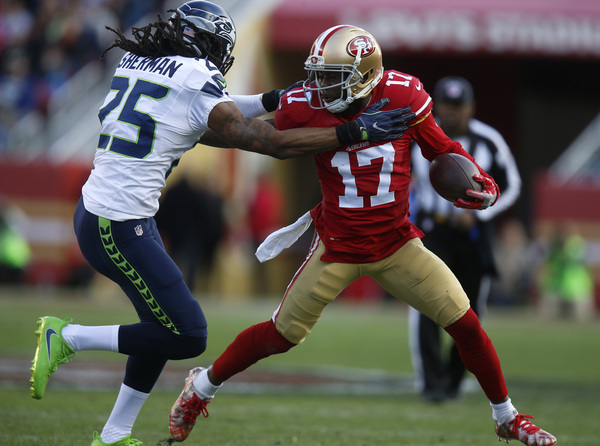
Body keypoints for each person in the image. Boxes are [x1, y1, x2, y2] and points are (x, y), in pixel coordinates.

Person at [28, 3, 414, 446]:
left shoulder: (140, 61)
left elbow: (207, 113)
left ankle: (115, 435)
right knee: (188, 334)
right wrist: (356, 131)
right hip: (116, 224)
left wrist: (273, 99)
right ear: (205, 43)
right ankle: (68, 337)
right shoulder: (194, 77)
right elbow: (270, 142)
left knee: (158, 328)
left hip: (110, 213)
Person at [168, 25, 557, 446]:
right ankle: (201, 386)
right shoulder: (305, 103)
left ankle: (506, 417)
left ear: (366, 74)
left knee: (466, 324)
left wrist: (481, 180)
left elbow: (442, 149)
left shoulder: (404, 94)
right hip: (337, 247)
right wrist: (182, 130)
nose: (321, 85)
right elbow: (242, 132)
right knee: (280, 335)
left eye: (333, 76)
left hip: (397, 244)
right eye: (318, 73)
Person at [408, 76, 522, 403]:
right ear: (436, 106)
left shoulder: (488, 140)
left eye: (458, 106)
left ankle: (454, 381)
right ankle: (431, 384)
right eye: (446, 105)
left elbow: (512, 185)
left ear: (470, 107)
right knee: (426, 303)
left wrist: (481, 213)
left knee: (470, 311)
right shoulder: (419, 134)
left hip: (473, 235)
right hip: (433, 230)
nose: (452, 112)